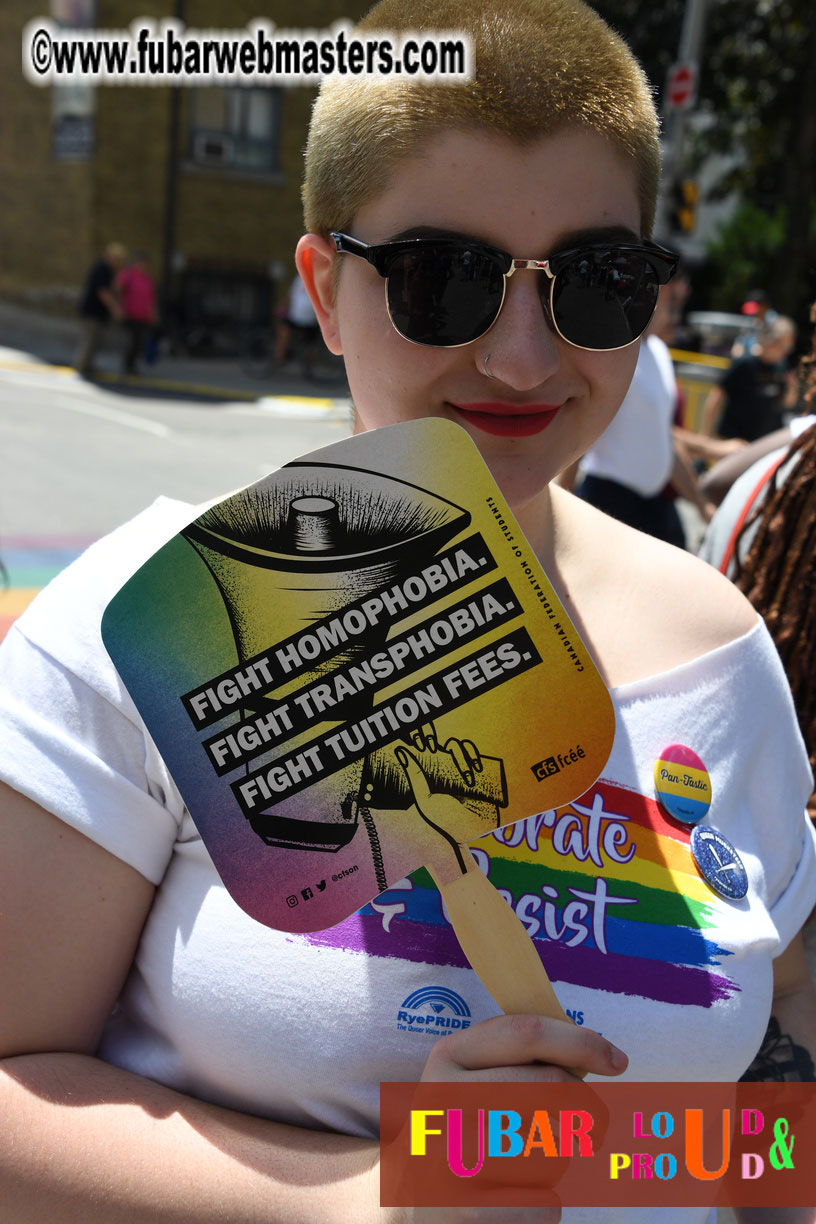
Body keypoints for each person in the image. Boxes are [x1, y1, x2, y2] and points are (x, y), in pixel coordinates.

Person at [2, 4, 815, 1224]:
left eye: (596, 282)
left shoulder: (721, 651)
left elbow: (763, 1094)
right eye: (446, 279)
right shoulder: (156, 627)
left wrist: (627, 1165)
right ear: (325, 292)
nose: (527, 358)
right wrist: (375, 1196)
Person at [700, 314, 797, 442]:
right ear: (768, 340)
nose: (785, 352)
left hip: (764, 441)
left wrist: (792, 386)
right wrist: (705, 434)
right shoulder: (744, 364)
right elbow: (717, 396)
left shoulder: (782, 367)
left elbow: (787, 402)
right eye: (781, 345)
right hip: (734, 439)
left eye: (787, 348)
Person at [74, 241, 126, 377]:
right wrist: (115, 309)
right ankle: (82, 366)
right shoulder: (102, 269)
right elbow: (103, 292)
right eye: (117, 259)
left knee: (94, 341)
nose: (119, 262)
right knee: (89, 340)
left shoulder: (106, 270)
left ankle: (87, 365)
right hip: (92, 311)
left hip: (97, 312)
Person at [115, 251, 158, 376]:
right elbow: (118, 289)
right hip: (129, 315)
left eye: (145, 263)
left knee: (140, 342)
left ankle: (132, 365)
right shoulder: (128, 275)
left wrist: (153, 313)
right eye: (141, 263)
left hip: (143, 316)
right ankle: (127, 365)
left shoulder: (148, 278)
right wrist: (119, 307)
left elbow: (151, 298)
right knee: (132, 341)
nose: (143, 265)